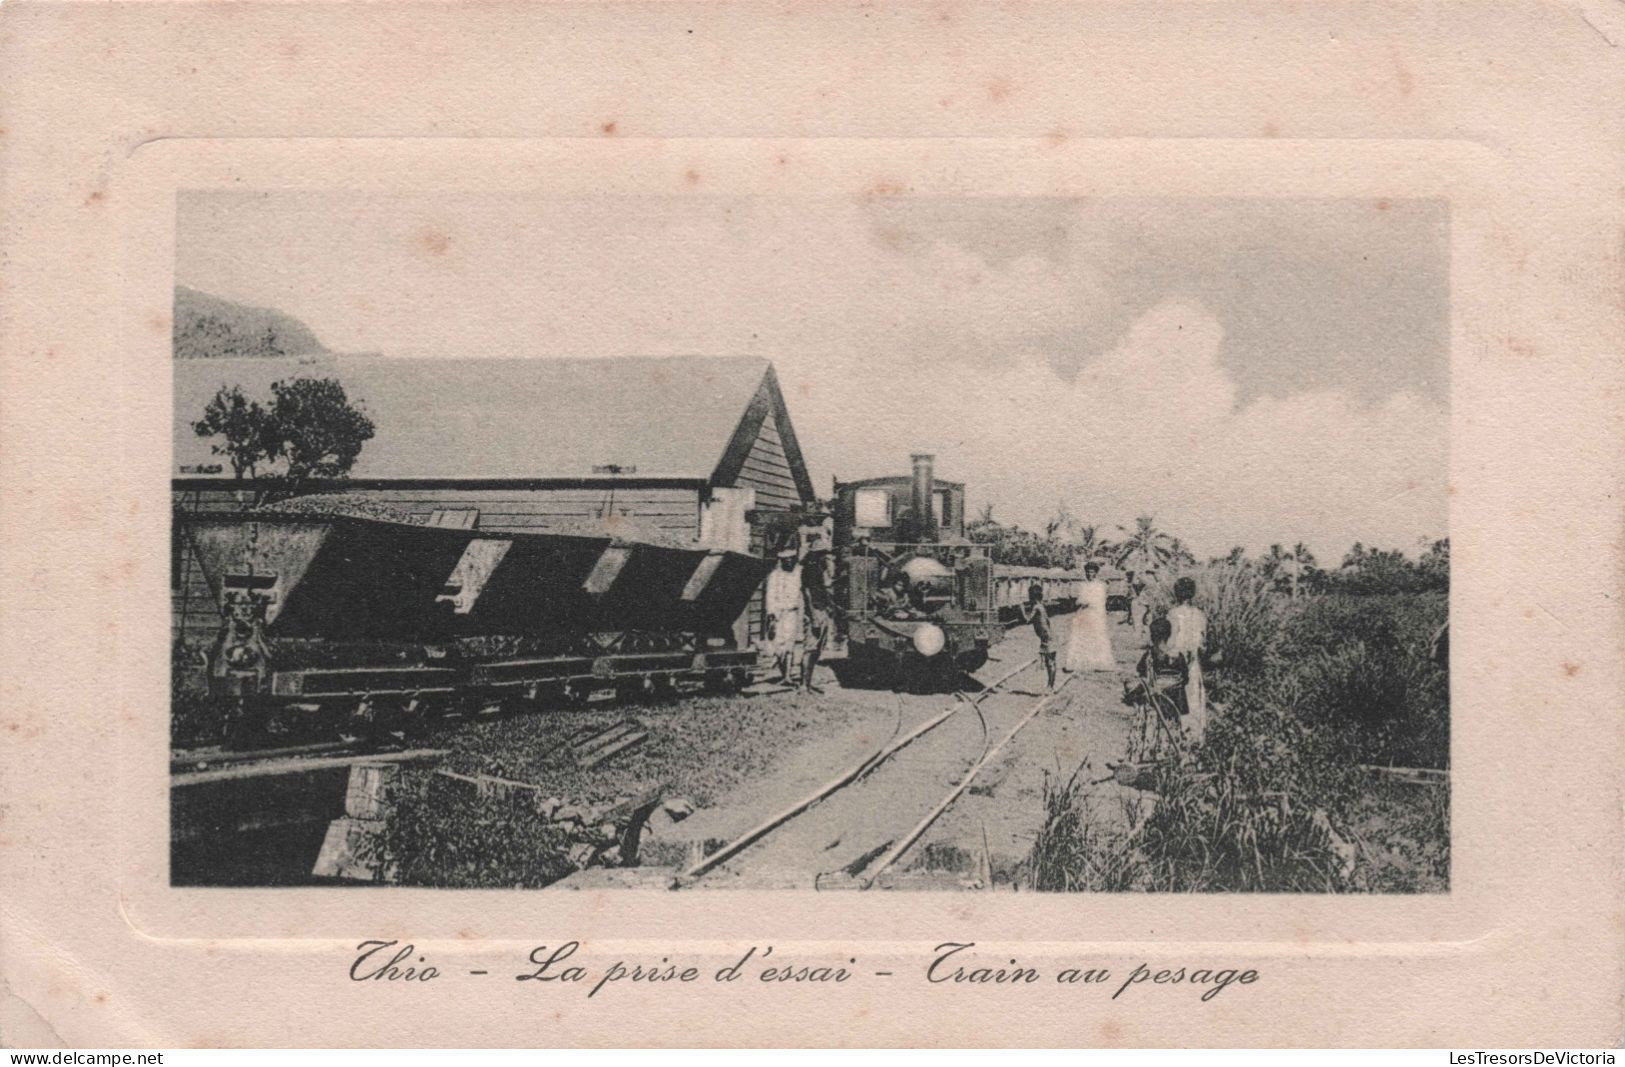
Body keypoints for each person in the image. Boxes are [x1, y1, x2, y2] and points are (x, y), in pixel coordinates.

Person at [1165, 576, 1209, 741]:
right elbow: (1203, 642)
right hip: (1193, 662)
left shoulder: (1173, 614)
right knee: (1193, 696)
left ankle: (1178, 732)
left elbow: (1171, 640)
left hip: (1177, 661)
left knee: (1178, 696)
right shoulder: (1200, 615)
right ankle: (1194, 734)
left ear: (1176, 594)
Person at [1064, 560, 1116, 671]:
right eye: (1088, 572)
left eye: (1092, 572)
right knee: (1082, 638)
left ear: (1096, 573)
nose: (1089, 574)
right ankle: (1081, 663)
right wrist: (1081, 602)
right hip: (1083, 614)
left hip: (1095, 614)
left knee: (1096, 637)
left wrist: (1088, 603)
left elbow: (1101, 601)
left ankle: (1098, 663)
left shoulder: (1100, 586)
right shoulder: (1082, 585)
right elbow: (1078, 599)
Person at [763, 547, 803, 686]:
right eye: (786, 560)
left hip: (792, 612)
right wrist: (772, 614)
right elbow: (770, 596)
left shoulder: (798, 574)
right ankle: (782, 673)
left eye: (791, 559)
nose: (789, 562)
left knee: (789, 644)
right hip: (778, 614)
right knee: (778, 644)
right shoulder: (775, 575)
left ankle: (788, 676)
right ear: (782, 561)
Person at [800, 547, 835, 692]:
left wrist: (830, 607)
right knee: (810, 647)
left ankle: (808, 683)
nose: (827, 556)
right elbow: (807, 593)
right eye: (824, 553)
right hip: (815, 610)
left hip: (822, 610)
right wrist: (813, 615)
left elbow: (824, 590)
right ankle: (803, 685)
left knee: (817, 649)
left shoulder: (820, 569)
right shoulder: (810, 569)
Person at [1018, 582, 1058, 692]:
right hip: (1048, 638)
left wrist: (1021, 608)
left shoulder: (1036, 607)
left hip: (1047, 639)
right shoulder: (1041, 606)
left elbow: (1027, 620)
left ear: (1032, 596)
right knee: (1049, 662)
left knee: (1050, 662)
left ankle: (1050, 687)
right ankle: (1050, 686)